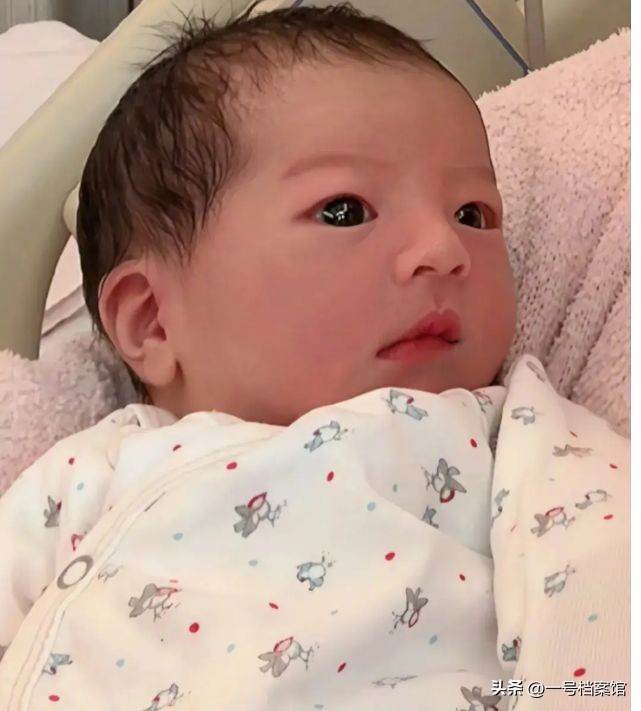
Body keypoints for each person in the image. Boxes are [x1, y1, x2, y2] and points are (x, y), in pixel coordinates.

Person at [0, 4, 629, 709]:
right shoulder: (97, 471)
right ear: (152, 320)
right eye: (344, 211)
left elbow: (603, 599)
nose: (444, 249)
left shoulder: (514, 436)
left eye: (472, 214)